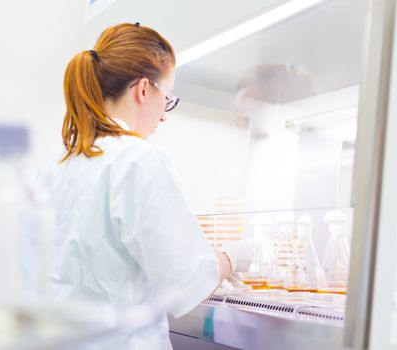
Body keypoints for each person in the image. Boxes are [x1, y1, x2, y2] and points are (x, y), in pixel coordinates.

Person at [38, 23, 251, 350]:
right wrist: (233, 257)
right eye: (167, 98)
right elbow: (187, 283)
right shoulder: (138, 160)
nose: (164, 116)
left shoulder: (56, 165)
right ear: (143, 89)